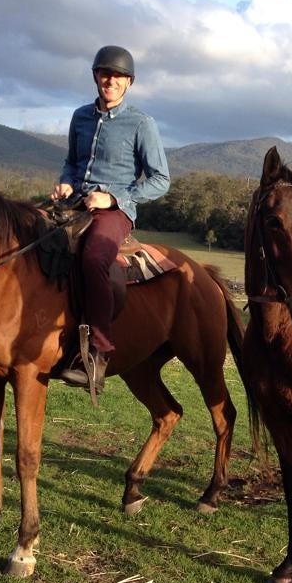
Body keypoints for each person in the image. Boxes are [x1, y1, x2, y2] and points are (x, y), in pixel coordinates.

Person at [50, 45, 170, 392]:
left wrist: (114, 197)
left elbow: (161, 179)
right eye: (105, 73)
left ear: (129, 82)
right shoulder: (80, 117)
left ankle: (96, 354)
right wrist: (65, 183)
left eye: (118, 76)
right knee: (30, 239)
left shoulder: (141, 124)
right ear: (96, 77)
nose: (111, 80)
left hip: (115, 210)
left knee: (93, 259)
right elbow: (72, 161)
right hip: (75, 202)